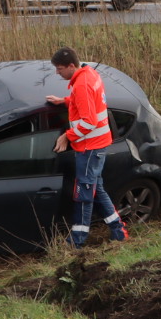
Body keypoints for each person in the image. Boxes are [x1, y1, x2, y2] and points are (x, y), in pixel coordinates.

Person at [45, 46, 128, 247]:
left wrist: (67, 136)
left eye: (60, 69)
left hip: (89, 147)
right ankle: (119, 231)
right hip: (97, 145)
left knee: (84, 192)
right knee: (96, 188)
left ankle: (77, 240)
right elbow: (87, 101)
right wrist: (65, 101)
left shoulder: (81, 84)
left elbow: (89, 121)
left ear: (71, 66)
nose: (57, 72)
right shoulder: (89, 73)